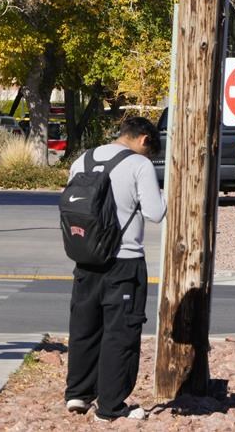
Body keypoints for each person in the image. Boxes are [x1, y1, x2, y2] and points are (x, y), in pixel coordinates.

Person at [63, 116, 165, 421]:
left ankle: (78, 395)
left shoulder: (84, 159)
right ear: (144, 139)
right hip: (125, 260)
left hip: (85, 257)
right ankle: (110, 407)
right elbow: (155, 213)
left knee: (85, 327)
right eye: (150, 150)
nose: (149, 157)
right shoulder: (139, 164)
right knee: (120, 333)